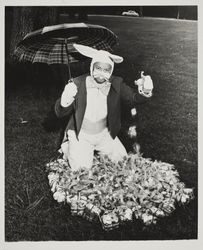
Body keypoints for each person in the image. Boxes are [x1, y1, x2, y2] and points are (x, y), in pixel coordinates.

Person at [55, 44, 153, 171]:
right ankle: (69, 147)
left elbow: (134, 98)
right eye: (98, 68)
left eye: (106, 70)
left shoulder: (116, 83)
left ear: (111, 70)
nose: (101, 73)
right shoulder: (78, 83)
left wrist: (145, 89)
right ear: (92, 67)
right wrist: (66, 99)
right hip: (81, 135)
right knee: (81, 170)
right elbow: (60, 113)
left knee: (123, 163)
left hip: (104, 134)